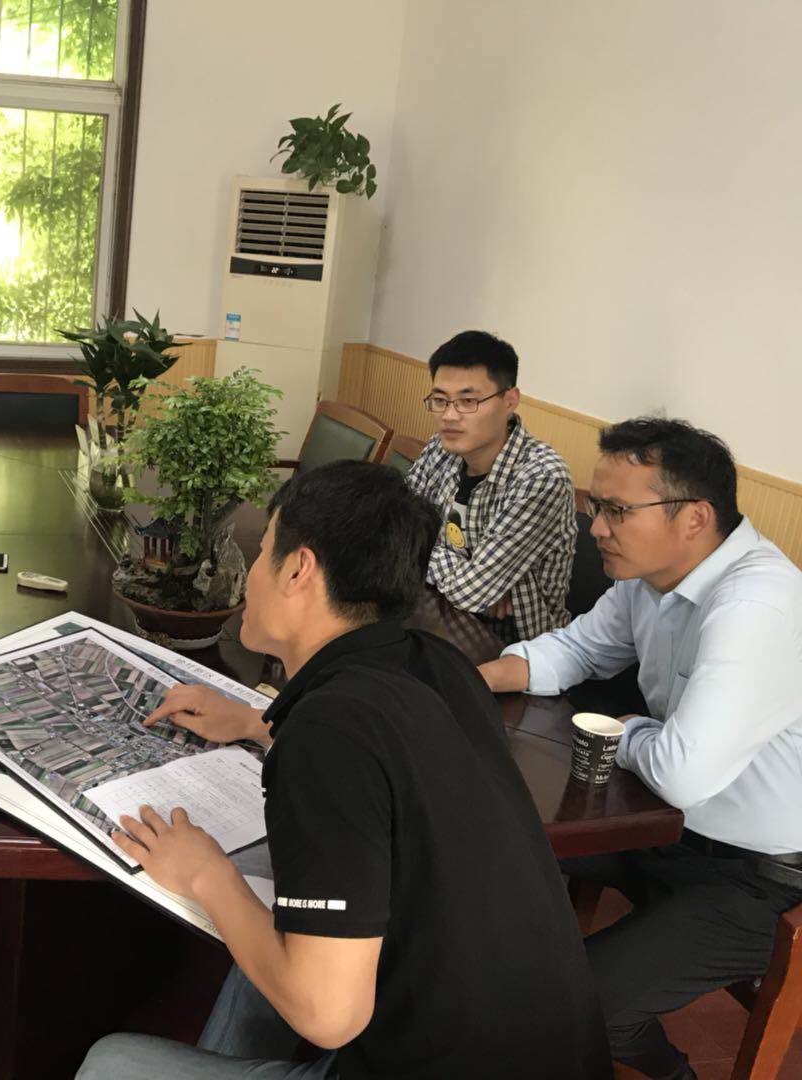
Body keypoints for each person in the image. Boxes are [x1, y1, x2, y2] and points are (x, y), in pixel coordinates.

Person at [78, 461, 609, 1080]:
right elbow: (388, 752)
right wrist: (254, 721)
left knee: (112, 1063)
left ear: (298, 570)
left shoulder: (326, 734)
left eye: (262, 551)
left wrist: (205, 872)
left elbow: (327, 1015)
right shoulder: (439, 663)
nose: (251, 572)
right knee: (286, 916)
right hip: (562, 1056)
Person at [478, 417, 802, 1080]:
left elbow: (682, 772)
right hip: (666, 830)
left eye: (617, 511)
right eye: (598, 506)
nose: (596, 527)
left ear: (695, 517)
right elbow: (577, 649)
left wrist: (626, 730)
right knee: (484, 836)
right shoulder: (648, 579)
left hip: (760, 878)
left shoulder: (756, 605)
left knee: (572, 1010)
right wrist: (470, 678)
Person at [405, 329, 576, 643]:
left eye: (468, 401)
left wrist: (418, 550)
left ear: (510, 400)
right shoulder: (441, 447)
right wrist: (471, 574)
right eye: (440, 400)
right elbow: (393, 526)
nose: (449, 416)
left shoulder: (541, 476)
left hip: (512, 642)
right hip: (432, 606)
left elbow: (471, 592)